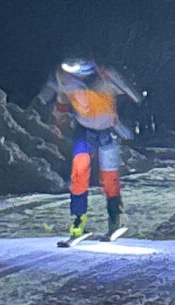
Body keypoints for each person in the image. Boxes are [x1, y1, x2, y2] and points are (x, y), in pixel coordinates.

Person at [42, 57, 140, 244]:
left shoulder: (105, 79)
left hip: (107, 131)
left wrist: (113, 78)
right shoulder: (66, 82)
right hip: (84, 131)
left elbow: (134, 96)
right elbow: (62, 106)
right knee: (78, 177)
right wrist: (58, 116)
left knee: (109, 178)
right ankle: (78, 226)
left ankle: (115, 221)